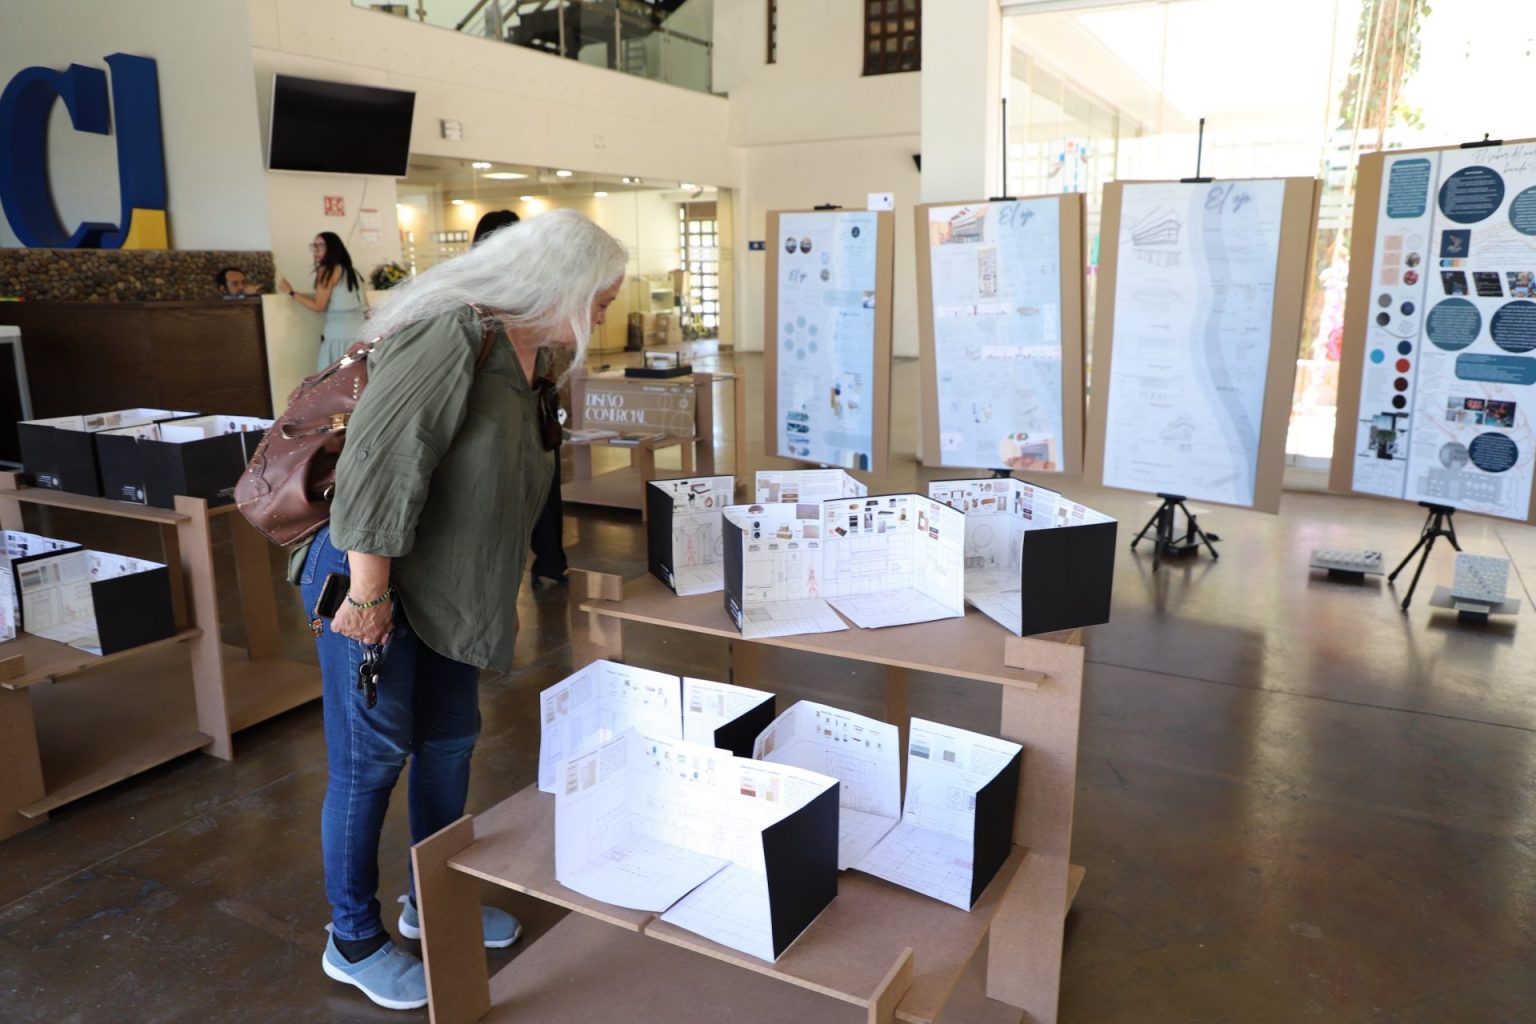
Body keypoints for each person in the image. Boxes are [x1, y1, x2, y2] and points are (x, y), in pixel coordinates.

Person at [294, 208, 625, 1010]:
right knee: (371, 761)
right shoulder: (452, 333)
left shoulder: (532, 356)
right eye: (599, 297)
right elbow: (378, 470)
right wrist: (368, 597)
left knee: (447, 748)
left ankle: (433, 896)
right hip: (377, 579)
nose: (605, 313)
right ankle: (352, 938)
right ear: (557, 283)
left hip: (451, 589)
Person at [473, 209, 569, 586]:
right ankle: (550, 560)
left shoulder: (470, 290)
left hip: (496, 406)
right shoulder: (533, 286)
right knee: (543, 481)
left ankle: (508, 569)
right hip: (534, 399)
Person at [278, 231, 367, 371]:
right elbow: (366, 308)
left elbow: (319, 306)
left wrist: (291, 292)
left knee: (334, 380)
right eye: (314, 246)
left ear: (333, 248)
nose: (316, 250)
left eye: (321, 246)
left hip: (338, 336)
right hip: (361, 336)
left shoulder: (327, 271)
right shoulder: (353, 272)